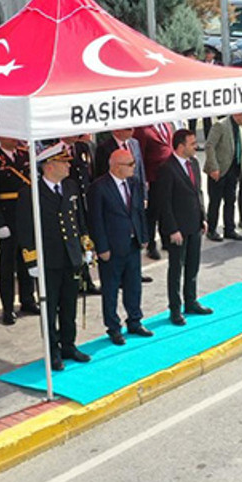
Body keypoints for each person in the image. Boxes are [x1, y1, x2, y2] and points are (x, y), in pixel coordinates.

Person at [15, 142, 94, 369]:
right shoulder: (31, 193)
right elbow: (25, 229)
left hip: (71, 257)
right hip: (48, 260)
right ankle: (53, 350)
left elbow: (79, 220)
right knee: (49, 309)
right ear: (49, 166)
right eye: (63, 162)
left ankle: (69, 344)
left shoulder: (70, 187)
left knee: (69, 305)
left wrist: (85, 247)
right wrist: (31, 260)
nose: (68, 166)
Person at [87, 147, 152, 345]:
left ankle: (135, 320)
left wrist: (144, 235)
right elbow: (95, 220)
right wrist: (102, 248)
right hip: (112, 248)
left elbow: (139, 211)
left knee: (134, 285)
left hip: (132, 243)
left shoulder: (133, 183)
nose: (134, 167)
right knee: (111, 288)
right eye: (130, 164)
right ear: (116, 167)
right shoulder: (99, 187)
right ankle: (113, 327)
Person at [152, 129, 212, 325]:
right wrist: (171, 229)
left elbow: (198, 193)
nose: (196, 147)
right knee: (176, 269)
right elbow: (164, 202)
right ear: (180, 146)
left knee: (193, 266)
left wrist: (203, 217)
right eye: (192, 143)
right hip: (178, 229)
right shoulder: (167, 169)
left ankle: (191, 301)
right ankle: (175, 309)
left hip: (195, 224)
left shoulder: (194, 163)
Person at [0, 136, 37, 325]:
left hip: (25, 214)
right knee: (7, 264)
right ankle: (7, 307)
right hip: (7, 216)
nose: (14, 139)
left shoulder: (25, 155)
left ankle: (28, 299)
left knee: (27, 257)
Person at [134, 122, 174, 261]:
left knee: (166, 208)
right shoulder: (143, 129)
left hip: (167, 175)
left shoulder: (167, 125)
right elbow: (140, 155)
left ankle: (166, 238)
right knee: (152, 212)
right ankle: (151, 245)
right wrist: (144, 180)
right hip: (153, 177)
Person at [203, 114, 242, 242]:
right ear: (239, 115)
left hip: (233, 170)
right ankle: (211, 230)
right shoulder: (220, 125)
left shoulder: (241, 127)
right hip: (219, 171)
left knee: (230, 200)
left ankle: (229, 229)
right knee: (215, 201)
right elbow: (209, 146)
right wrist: (214, 167)